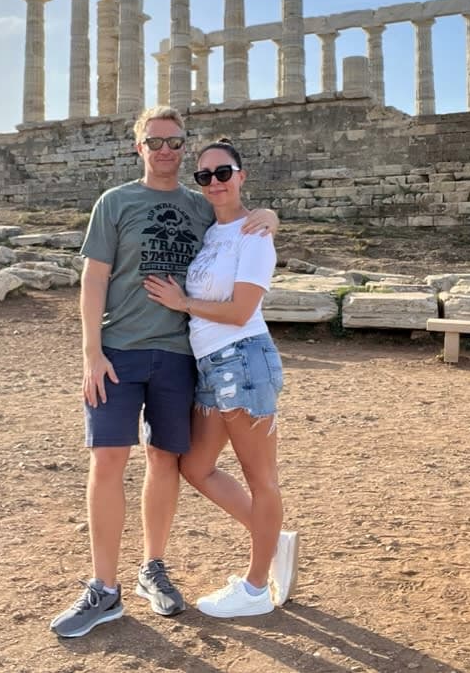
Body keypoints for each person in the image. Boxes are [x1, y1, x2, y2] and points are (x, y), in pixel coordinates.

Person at [50, 106, 292, 638]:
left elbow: (242, 222)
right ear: (138, 147)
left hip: (181, 356)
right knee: (108, 459)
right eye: (154, 141)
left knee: (166, 461)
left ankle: (152, 569)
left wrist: (270, 216)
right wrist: (91, 351)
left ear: (184, 147)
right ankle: (104, 588)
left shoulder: (200, 205)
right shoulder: (115, 202)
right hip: (119, 349)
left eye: (175, 142)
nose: (166, 151)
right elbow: (93, 278)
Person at [143, 137, 297, 619]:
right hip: (211, 365)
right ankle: (274, 540)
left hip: (243, 359)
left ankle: (255, 588)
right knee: (196, 467)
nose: (214, 182)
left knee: (261, 477)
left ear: (241, 175)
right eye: (204, 176)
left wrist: (183, 303)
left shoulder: (254, 235)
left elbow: (241, 309)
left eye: (223, 173)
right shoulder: (213, 232)